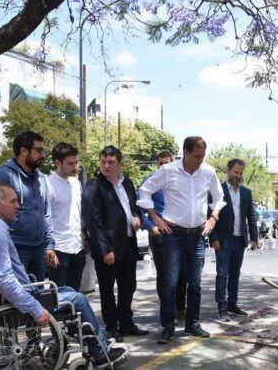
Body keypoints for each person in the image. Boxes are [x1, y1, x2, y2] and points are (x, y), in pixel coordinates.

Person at [0, 182, 127, 367]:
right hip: (22, 299)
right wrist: (35, 308)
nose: (18, 205)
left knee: (66, 289)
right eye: (13, 201)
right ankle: (99, 352)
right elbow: (4, 278)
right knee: (78, 299)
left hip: (23, 292)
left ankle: (85, 342)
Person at [137, 136, 226, 344]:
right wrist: (155, 217)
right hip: (173, 235)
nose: (200, 160)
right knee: (170, 282)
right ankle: (168, 327)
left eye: (203, 156)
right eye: (196, 156)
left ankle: (192, 324)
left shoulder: (208, 172)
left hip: (197, 235)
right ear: (185, 153)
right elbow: (145, 190)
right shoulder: (168, 171)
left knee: (195, 283)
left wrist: (213, 217)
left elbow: (219, 198)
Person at [83, 146, 148, 343]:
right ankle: (112, 327)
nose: (106, 166)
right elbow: (93, 221)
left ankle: (126, 323)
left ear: (119, 163)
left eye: (111, 162)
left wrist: (137, 216)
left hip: (128, 242)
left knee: (128, 285)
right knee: (107, 290)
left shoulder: (126, 182)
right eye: (103, 162)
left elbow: (135, 205)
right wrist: (105, 249)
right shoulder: (94, 185)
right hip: (108, 248)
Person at [0, 131, 55, 281]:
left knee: (39, 297)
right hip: (15, 249)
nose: (43, 155)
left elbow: (46, 212)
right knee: (18, 299)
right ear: (23, 151)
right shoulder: (5, 175)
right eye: (39, 150)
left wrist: (50, 244)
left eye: (43, 150)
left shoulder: (41, 178)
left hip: (39, 250)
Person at [140, 151, 189, 320]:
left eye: (166, 163)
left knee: (182, 272)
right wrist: (150, 226)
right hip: (159, 234)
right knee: (165, 275)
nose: (163, 166)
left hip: (181, 232)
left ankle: (180, 307)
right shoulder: (150, 181)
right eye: (160, 163)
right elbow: (139, 209)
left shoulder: (180, 179)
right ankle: (168, 312)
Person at [210, 158, 259, 322]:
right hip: (223, 240)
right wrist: (213, 237)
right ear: (229, 172)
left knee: (235, 275)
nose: (238, 176)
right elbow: (211, 216)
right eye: (235, 172)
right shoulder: (219, 191)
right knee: (222, 275)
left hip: (239, 240)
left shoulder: (246, 192)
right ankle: (221, 308)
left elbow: (251, 216)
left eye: (240, 173)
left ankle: (232, 304)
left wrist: (254, 238)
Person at [47, 142, 86, 290]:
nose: (75, 167)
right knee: (58, 296)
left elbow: (79, 214)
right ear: (57, 163)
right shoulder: (48, 184)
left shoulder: (76, 183)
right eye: (70, 164)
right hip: (59, 249)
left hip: (78, 247)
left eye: (76, 163)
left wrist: (85, 237)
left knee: (75, 294)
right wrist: (49, 248)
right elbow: (46, 218)